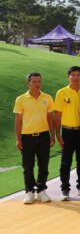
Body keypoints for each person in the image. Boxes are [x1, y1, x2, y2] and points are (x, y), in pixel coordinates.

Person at [14, 72, 55, 204]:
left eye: (39, 81)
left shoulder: (47, 98)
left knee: (44, 165)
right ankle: (29, 191)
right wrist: (18, 139)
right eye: (34, 82)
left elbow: (50, 118)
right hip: (27, 138)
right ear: (28, 83)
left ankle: (41, 191)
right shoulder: (21, 99)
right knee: (28, 166)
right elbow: (18, 120)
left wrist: (52, 135)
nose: (37, 84)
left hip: (44, 136)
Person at [54, 66, 80, 200]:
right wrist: (58, 134)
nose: (75, 77)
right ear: (68, 76)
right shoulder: (61, 93)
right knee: (65, 162)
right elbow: (57, 116)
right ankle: (65, 189)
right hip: (67, 132)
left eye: (78, 75)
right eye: (73, 74)